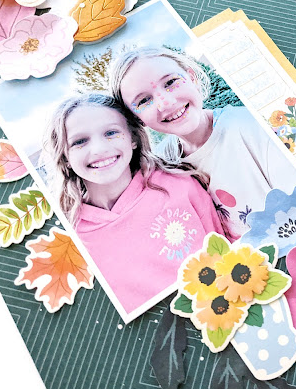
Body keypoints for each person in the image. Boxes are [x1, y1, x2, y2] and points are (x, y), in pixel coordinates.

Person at [43, 93, 224, 314]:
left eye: (111, 133)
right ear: (65, 157)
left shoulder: (180, 186)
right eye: (79, 142)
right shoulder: (66, 236)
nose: (99, 149)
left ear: (133, 138)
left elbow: (227, 257)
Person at [110, 46, 296, 238]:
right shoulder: (161, 168)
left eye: (170, 82)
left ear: (192, 78)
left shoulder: (252, 127)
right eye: (144, 101)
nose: (166, 103)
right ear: (136, 119)